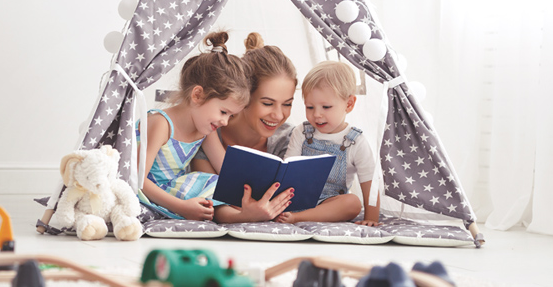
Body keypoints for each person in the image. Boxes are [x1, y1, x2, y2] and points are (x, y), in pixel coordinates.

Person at [137, 31, 292, 223]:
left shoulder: (204, 129)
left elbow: (227, 171)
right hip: (149, 192)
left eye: (230, 115)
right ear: (198, 95)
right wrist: (182, 208)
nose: (225, 122)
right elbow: (137, 179)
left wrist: (255, 196)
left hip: (174, 188)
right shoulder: (161, 124)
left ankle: (246, 214)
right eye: (223, 112)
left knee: (219, 183)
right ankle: (243, 216)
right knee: (208, 182)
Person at [191, 32, 299, 222]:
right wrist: (246, 215)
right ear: (245, 97)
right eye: (267, 103)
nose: (279, 115)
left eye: (287, 104)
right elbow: (208, 201)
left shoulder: (289, 138)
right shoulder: (208, 130)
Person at [276, 60, 382, 225]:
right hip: (297, 198)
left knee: (353, 203)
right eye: (310, 107)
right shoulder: (301, 132)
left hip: (330, 202)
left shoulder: (356, 142)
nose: (316, 114)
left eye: (326, 107)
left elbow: (369, 183)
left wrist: (371, 218)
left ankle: (299, 218)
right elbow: (288, 168)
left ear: (349, 104)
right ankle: (292, 213)